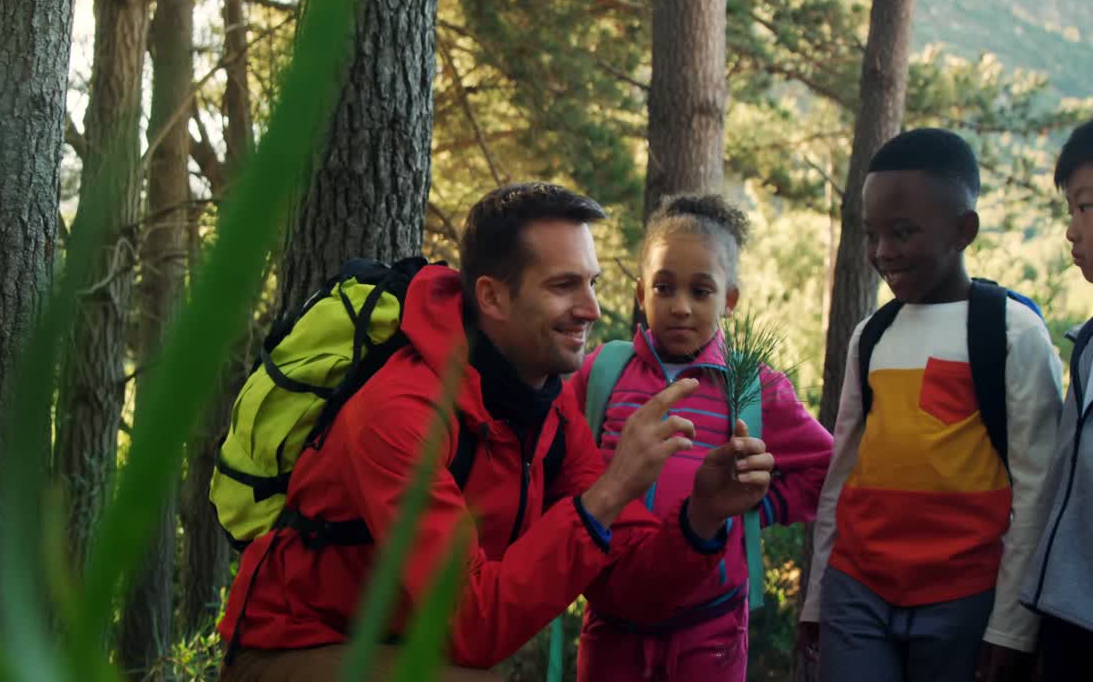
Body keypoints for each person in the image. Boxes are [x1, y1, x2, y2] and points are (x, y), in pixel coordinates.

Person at [214, 182, 779, 681]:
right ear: (492, 296)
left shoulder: (547, 408)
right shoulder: (400, 415)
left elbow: (628, 590)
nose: (590, 309)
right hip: (298, 648)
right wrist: (610, 491)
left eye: (592, 282)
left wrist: (703, 515)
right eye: (563, 286)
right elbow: (472, 624)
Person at [798, 128, 1062, 682]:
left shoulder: (1012, 332)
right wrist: (818, 596)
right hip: (857, 590)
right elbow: (842, 473)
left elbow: (1037, 490)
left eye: (902, 233)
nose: (882, 253)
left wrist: (1012, 628)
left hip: (965, 597)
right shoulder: (871, 335)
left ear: (964, 230)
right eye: (872, 234)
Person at [570, 195, 833, 681]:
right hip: (612, 626)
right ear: (640, 293)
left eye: (701, 290)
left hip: (709, 632)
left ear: (729, 300)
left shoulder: (754, 388)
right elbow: (557, 457)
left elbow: (826, 467)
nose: (681, 307)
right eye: (664, 287)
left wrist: (751, 511)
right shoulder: (603, 371)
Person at [1021, 118, 1093, 681]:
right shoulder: (1087, 348)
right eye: (1071, 210)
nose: (1071, 231)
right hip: (1068, 621)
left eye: (1086, 208)